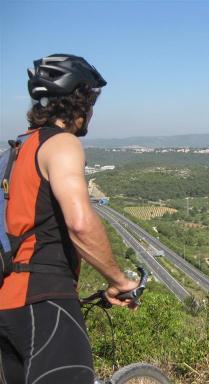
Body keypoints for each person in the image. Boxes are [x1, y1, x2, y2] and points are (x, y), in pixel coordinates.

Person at [0, 54, 139, 384]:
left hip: (8, 308)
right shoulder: (61, 144)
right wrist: (119, 281)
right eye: (90, 100)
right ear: (80, 101)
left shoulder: (13, 153)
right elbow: (80, 223)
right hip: (44, 302)